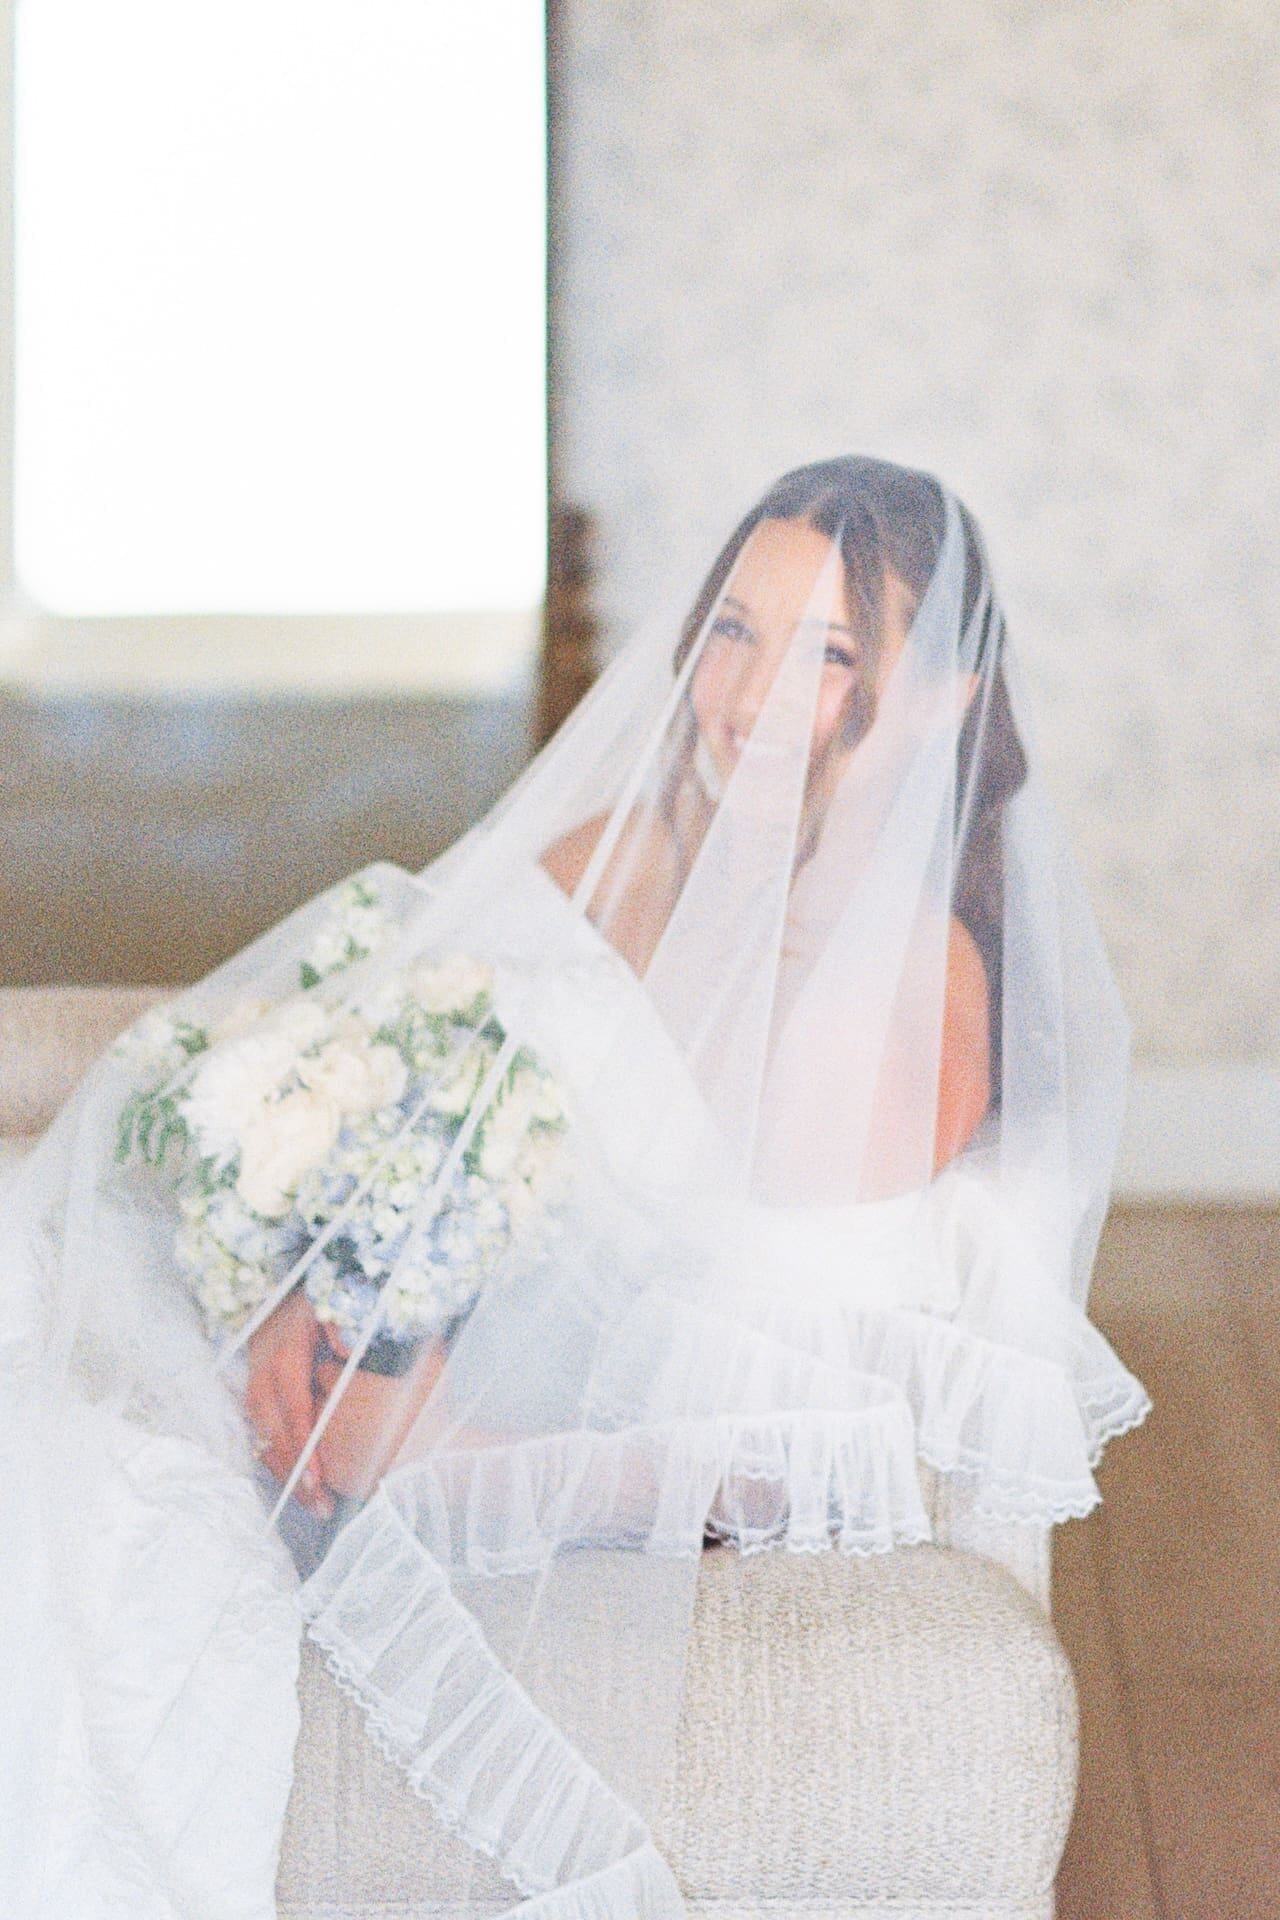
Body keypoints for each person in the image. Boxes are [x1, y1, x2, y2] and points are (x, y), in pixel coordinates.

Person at [5, 456, 1152, 1920]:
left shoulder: (918, 989)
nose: (748, 694)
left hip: (499, 1421)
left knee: (97, 1517)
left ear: (937, 696)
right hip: (356, 1350)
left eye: (831, 650)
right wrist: (291, 1277)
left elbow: (773, 1413)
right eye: (734, 628)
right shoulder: (617, 864)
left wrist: (428, 1440)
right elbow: (376, 1055)